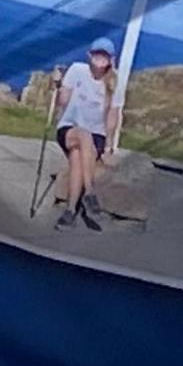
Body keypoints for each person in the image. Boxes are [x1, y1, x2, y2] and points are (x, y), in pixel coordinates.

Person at [51, 40, 122, 230]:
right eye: (97, 54)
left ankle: (70, 211)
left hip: (95, 135)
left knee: (77, 156)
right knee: (83, 135)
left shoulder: (115, 83)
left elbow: (112, 116)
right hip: (70, 128)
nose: (100, 58)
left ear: (111, 60)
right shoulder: (77, 71)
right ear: (89, 55)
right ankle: (89, 192)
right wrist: (59, 85)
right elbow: (63, 101)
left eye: (105, 55)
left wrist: (108, 146)